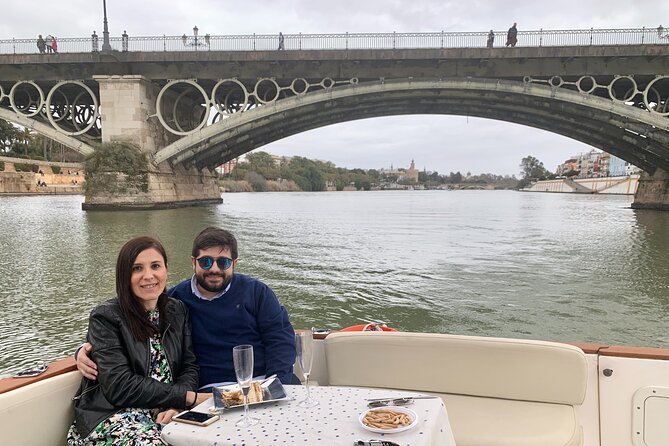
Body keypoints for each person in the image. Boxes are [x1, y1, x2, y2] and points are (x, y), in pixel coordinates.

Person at [76, 227, 298, 390]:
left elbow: (280, 340)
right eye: (206, 262)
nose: (214, 270)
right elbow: (126, 318)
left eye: (223, 262)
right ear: (193, 262)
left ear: (234, 264)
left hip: (263, 383)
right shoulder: (174, 301)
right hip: (208, 393)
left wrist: (275, 386)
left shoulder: (257, 293)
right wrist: (81, 352)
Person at [67, 236, 199, 445]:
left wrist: (176, 406)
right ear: (124, 276)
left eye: (155, 266)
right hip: (112, 418)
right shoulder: (106, 317)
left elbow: (189, 366)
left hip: (164, 413)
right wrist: (187, 398)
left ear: (166, 269)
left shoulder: (177, 310)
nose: (148, 276)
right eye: (137, 269)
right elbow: (120, 386)